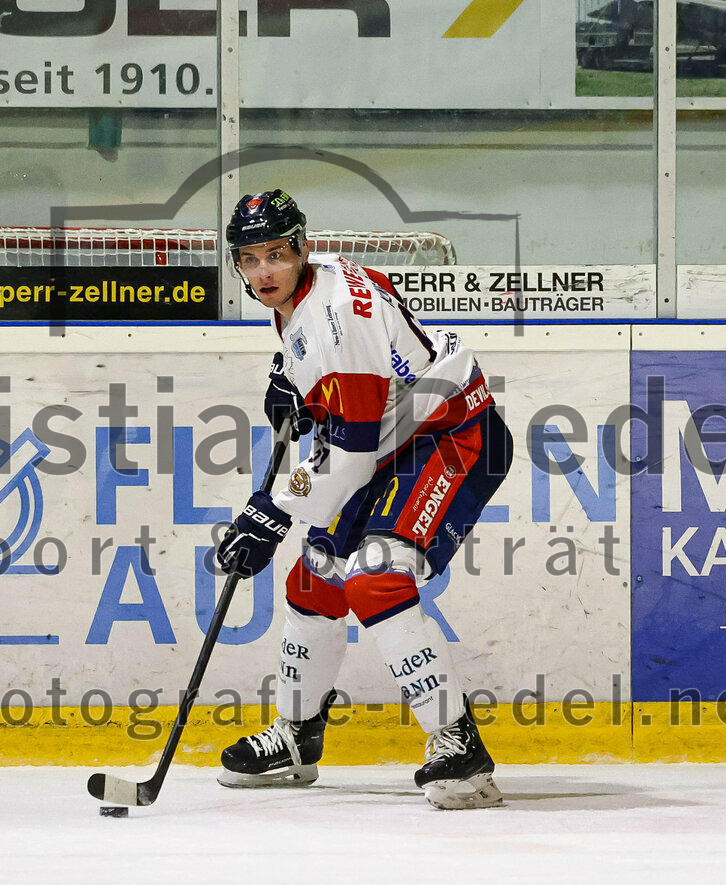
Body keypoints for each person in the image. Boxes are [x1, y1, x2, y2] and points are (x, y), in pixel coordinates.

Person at [214, 189, 513, 811]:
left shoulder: (332, 326)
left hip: (452, 435)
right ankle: (298, 737)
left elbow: (345, 461)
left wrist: (268, 512)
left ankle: (459, 746)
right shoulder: (306, 294)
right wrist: (292, 384)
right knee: (315, 580)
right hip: (389, 442)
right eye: (249, 258)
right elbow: (347, 397)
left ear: (300, 246)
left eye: (275, 254)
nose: (263, 271)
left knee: (375, 578)